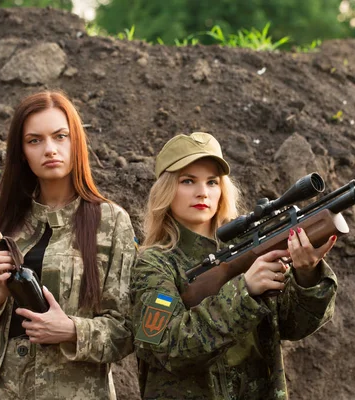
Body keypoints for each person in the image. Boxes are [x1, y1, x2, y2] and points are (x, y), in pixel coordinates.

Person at [0, 91, 136, 399]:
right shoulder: (0, 216)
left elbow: (127, 329)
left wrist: (71, 330)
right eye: (34, 140)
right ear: (21, 151)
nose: (49, 149)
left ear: (76, 141)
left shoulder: (112, 222)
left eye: (60, 136)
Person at [131, 132, 338, 399]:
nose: (202, 192)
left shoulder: (252, 247)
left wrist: (307, 274)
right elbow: (166, 348)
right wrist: (245, 291)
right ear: (166, 190)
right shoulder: (154, 265)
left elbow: (294, 327)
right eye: (188, 181)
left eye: (212, 182)